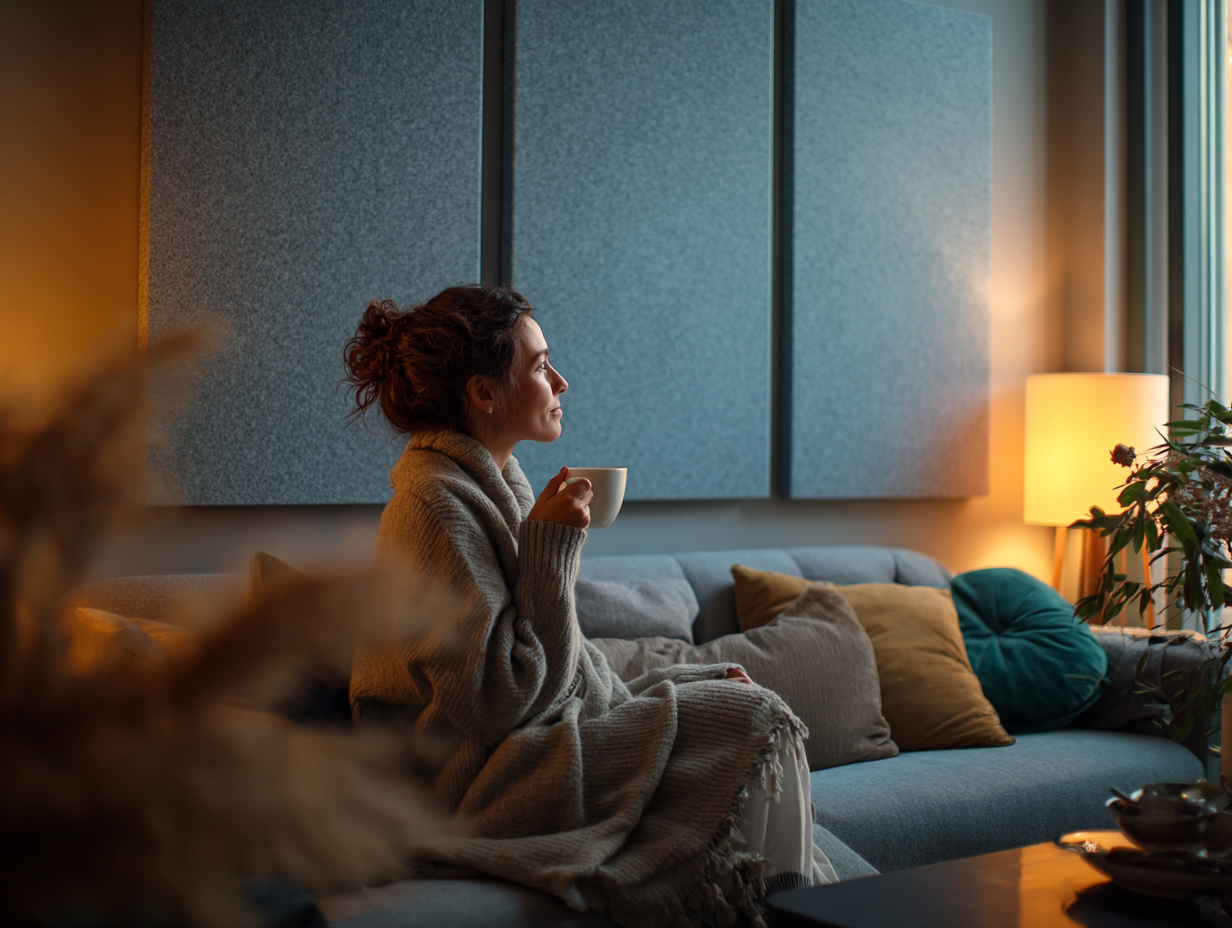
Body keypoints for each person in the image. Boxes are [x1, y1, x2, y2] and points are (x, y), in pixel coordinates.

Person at [343, 284, 834, 928]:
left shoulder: (498, 483)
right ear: (484, 393)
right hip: (468, 781)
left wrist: (681, 678)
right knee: (755, 721)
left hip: (530, 742)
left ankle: (792, 913)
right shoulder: (432, 509)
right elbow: (501, 702)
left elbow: (562, 668)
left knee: (746, 708)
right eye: (542, 364)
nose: (562, 381)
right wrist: (552, 547)